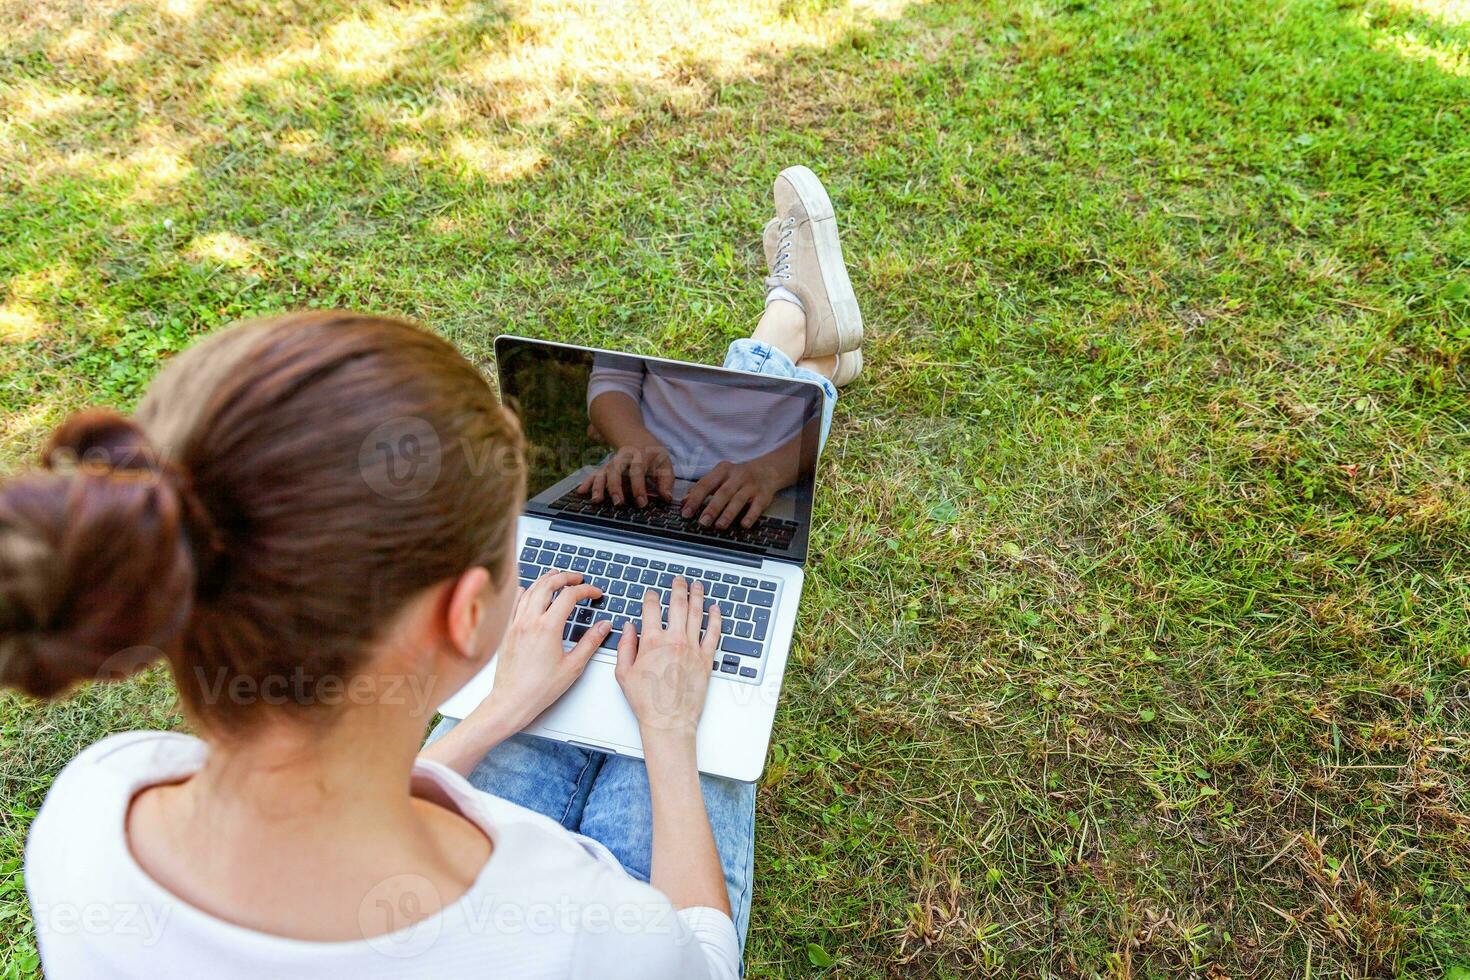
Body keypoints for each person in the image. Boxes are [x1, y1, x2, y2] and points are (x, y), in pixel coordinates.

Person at [7, 167, 865, 978]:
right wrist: (671, 738)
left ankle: (799, 342)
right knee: (666, 714)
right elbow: (700, 961)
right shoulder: (573, 923)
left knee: (563, 710)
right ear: (464, 615)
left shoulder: (93, 811)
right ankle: (794, 338)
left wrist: (496, 712)